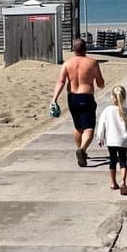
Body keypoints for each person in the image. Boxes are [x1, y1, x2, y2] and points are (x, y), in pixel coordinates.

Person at [51, 38, 105, 167]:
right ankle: (82, 149)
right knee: (89, 128)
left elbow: (61, 82)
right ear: (85, 48)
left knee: (77, 126)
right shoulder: (92, 62)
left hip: (73, 98)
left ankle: (81, 150)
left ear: (73, 49)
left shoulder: (67, 64)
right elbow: (100, 82)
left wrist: (54, 99)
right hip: (86, 97)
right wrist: (99, 83)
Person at [95, 84, 127, 195]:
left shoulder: (107, 110)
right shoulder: (126, 111)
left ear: (112, 97)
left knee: (112, 161)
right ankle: (123, 182)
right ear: (124, 97)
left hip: (111, 140)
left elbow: (101, 125)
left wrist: (100, 138)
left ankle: (113, 183)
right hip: (122, 140)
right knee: (123, 161)